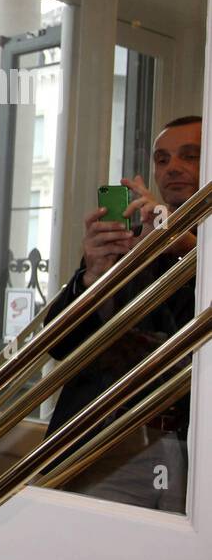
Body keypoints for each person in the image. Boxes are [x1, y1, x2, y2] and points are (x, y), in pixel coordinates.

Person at [44, 115, 200, 512]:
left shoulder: (187, 246)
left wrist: (185, 247)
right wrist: (94, 276)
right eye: (162, 159)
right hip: (110, 441)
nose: (173, 168)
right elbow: (60, 344)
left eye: (191, 155)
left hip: (196, 444)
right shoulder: (127, 239)